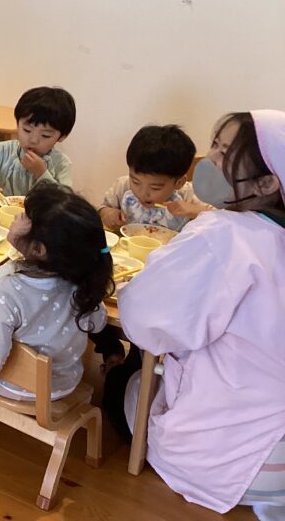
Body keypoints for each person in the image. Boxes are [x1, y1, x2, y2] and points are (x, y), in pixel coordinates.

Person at [111, 111, 285, 518]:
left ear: (266, 184)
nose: (211, 160)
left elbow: (145, 320)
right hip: (276, 446)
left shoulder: (222, 233)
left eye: (226, 155)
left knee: (121, 384)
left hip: (236, 461)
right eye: (215, 145)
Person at [0, 183, 111, 401]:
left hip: (13, 386)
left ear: (39, 249)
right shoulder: (82, 281)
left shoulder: (8, 284)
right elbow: (98, 322)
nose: (18, 217)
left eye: (25, 216)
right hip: (62, 386)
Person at [0, 86, 75, 199]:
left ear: (62, 136)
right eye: (27, 130)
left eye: (45, 135)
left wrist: (41, 173)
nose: (33, 140)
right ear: (17, 124)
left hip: (37, 212)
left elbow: (66, 200)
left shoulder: (61, 163)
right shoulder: (4, 150)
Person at [98, 124, 210, 232]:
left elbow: (216, 218)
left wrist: (195, 211)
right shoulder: (123, 186)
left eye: (155, 188)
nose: (143, 193)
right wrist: (107, 213)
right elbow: (102, 209)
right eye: (136, 182)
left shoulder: (187, 194)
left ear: (179, 183)